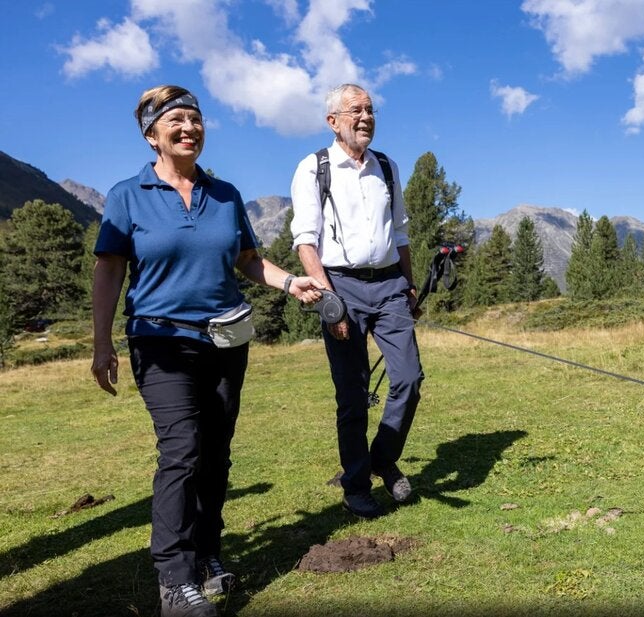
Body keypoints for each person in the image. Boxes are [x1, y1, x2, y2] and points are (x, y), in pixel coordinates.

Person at [91, 85, 323, 617]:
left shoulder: (225, 194)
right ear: (152, 135)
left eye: (195, 118)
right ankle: (174, 578)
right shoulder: (128, 195)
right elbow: (109, 270)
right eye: (176, 120)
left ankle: (208, 553)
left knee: (216, 452)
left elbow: (247, 259)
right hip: (160, 340)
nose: (189, 127)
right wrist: (102, 343)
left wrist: (290, 283)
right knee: (183, 450)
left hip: (224, 339)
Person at [290, 83, 423, 520]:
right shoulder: (314, 168)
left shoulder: (387, 166)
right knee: (352, 394)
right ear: (333, 121)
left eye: (370, 110)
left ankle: (383, 458)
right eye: (355, 111)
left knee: (409, 378)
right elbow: (305, 241)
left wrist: (409, 283)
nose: (365, 117)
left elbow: (399, 233)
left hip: (389, 286)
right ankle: (356, 484)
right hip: (340, 287)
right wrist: (328, 299)